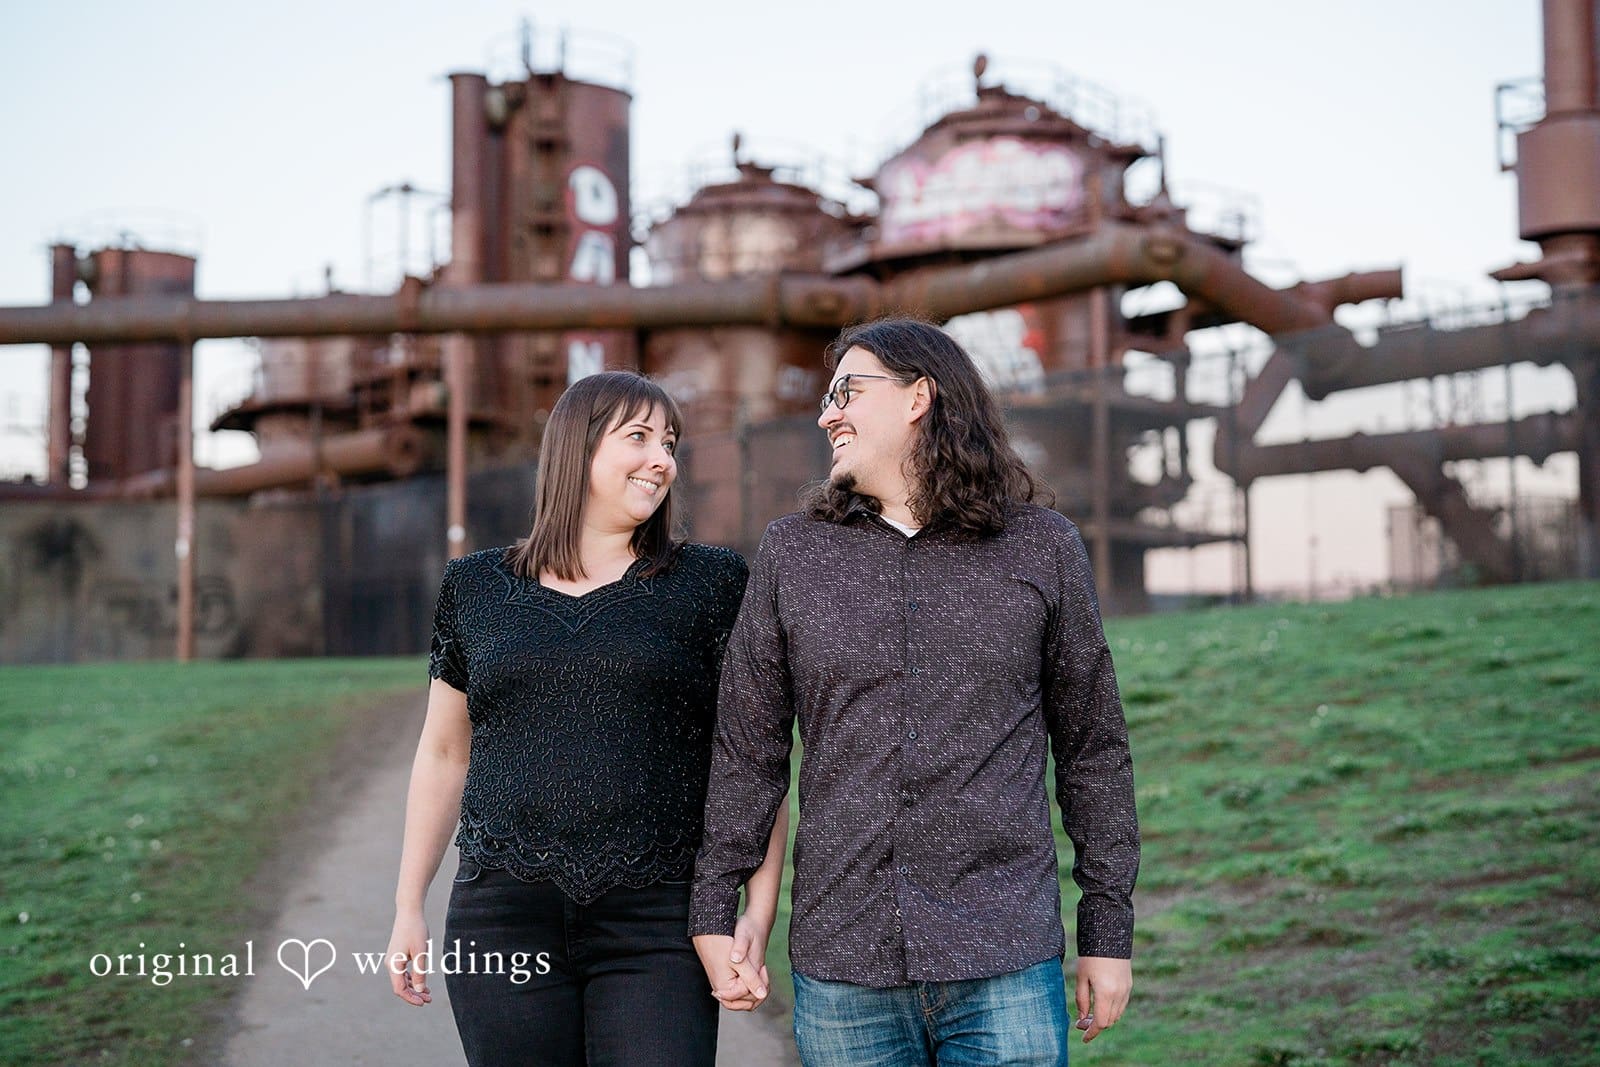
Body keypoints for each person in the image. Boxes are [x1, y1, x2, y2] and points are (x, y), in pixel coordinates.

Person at [689, 318, 1141, 1066]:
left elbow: (1094, 750)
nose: (827, 411)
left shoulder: (1042, 545)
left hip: (1004, 958)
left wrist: (1107, 933)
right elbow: (748, 750)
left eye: (848, 391)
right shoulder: (792, 552)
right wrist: (715, 909)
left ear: (919, 397)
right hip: (844, 970)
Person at [385, 370, 787, 1067]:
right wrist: (407, 906)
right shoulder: (475, 587)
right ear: (578, 449)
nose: (662, 458)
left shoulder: (712, 582)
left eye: (670, 441)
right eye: (639, 437)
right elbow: (445, 752)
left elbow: (753, 754)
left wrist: (756, 908)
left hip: (659, 922)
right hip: (500, 917)